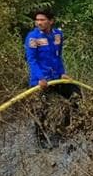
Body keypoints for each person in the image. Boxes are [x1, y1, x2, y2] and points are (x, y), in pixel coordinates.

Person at [25, 9, 79, 146]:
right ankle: (41, 142)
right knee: (40, 110)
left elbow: (58, 56)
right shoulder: (33, 37)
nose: (39, 22)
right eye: (37, 20)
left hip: (57, 77)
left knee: (75, 95)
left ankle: (69, 130)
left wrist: (62, 73)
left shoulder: (58, 35)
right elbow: (32, 60)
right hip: (41, 81)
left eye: (42, 20)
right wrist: (40, 78)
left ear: (51, 21)